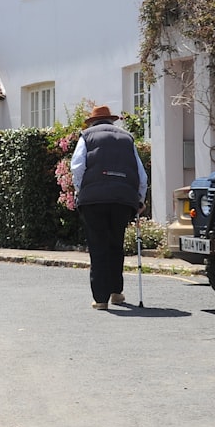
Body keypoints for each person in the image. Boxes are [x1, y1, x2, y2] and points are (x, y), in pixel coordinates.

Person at [70, 104, 148, 310]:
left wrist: (81, 191)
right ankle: (116, 291)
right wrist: (140, 199)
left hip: (93, 200)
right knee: (116, 243)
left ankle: (101, 298)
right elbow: (141, 174)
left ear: (92, 121)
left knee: (98, 246)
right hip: (122, 199)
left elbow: (77, 167)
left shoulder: (86, 136)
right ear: (111, 121)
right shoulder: (127, 138)